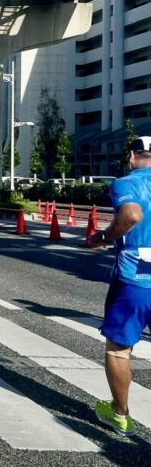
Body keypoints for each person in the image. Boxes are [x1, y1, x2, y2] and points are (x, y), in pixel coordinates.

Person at [89, 136, 151, 437]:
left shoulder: (126, 183)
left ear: (132, 155)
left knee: (119, 349)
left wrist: (103, 238)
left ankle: (120, 414)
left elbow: (131, 215)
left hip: (137, 278)